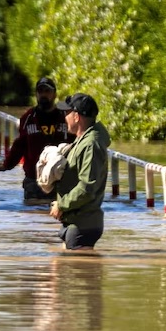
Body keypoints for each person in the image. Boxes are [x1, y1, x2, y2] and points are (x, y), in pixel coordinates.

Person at [49, 93, 111, 250]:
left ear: (76, 117)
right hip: (74, 221)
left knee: (78, 273)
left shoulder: (91, 144)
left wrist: (62, 205)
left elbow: (87, 188)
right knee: (65, 270)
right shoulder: (82, 140)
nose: (65, 117)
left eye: (67, 113)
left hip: (83, 225)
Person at [0, 76, 69, 204]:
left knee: (57, 218)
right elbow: (19, 145)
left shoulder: (65, 117)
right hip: (33, 181)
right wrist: (7, 164)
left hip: (60, 179)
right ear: (36, 95)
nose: (44, 95)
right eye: (40, 91)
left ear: (55, 94)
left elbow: (76, 144)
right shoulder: (28, 118)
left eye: (47, 91)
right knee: (33, 216)